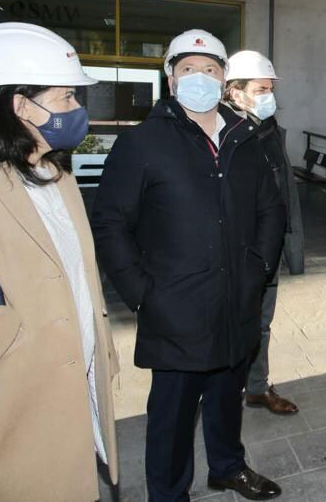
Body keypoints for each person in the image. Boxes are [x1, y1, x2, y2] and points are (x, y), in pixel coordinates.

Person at [91, 29, 286, 502]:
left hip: (236, 301)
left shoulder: (246, 139)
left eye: (210, 69)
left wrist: (258, 269)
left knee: (227, 396)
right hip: (174, 310)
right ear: (171, 78)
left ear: (223, 79)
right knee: (173, 416)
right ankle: (168, 494)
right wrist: (142, 295)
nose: (199, 77)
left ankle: (228, 467)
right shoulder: (143, 143)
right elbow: (110, 224)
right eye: (188, 69)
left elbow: (270, 210)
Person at [0, 22, 118, 501]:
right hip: (13, 399)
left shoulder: (57, 175)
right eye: (66, 96)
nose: (77, 108)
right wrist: (3, 334)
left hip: (77, 385)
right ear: (22, 106)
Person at [224, 50, 303, 417]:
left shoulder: (270, 131)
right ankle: (219, 392)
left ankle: (256, 388)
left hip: (266, 250)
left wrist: (291, 245)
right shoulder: (219, 133)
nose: (269, 96)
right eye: (261, 89)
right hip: (231, 252)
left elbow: (286, 192)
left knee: (261, 324)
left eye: (270, 89)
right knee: (226, 324)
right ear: (234, 92)